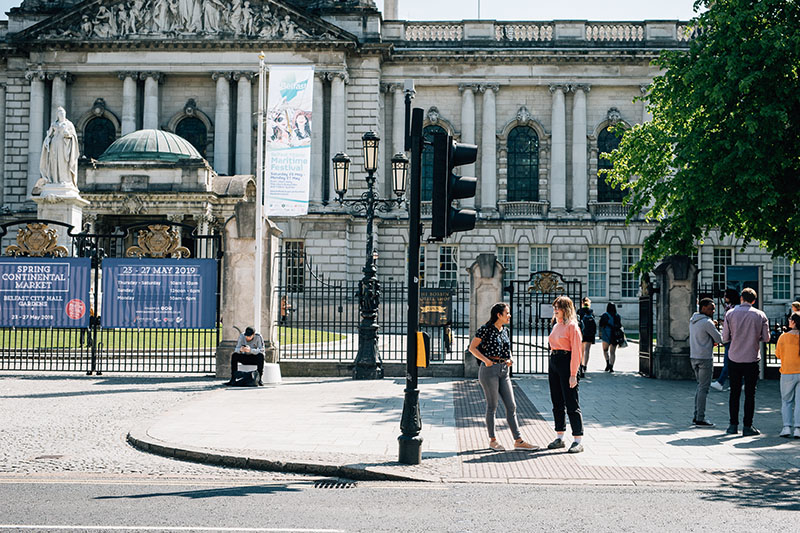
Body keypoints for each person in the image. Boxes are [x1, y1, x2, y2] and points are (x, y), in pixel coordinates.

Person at [468, 302, 539, 451]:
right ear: (499, 315)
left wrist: (510, 358)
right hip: (489, 371)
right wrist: (486, 360)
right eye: (507, 313)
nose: (509, 315)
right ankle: (493, 440)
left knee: (511, 405)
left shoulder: (504, 331)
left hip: (503, 371)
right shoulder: (485, 330)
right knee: (492, 406)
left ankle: (518, 440)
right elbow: (472, 348)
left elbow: (508, 349)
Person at [722, 288, 769, 436]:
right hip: (751, 358)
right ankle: (747, 426)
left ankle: (732, 425)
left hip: (734, 357)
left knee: (734, 393)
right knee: (750, 394)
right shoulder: (760, 315)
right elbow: (766, 338)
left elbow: (725, 338)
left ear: (741, 298)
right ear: (754, 300)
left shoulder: (730, 314)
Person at [546, 296, 585, 453]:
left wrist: (573, 373)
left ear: (566, 309)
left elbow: (576, 351)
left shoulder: (572, 326)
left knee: (571, 402)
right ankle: (560, 436)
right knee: (556, 400)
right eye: (555, 307)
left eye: (559, 307)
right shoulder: (556, 325)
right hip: (554, 361)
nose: (555, 310)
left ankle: (577, 439)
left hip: (566, 361)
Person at [689, 298, 722, 427]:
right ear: (703, 308)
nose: (713, 311)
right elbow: (719, 339)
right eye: (710, 308)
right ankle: (700, 418)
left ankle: (696, 414)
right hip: (705, 358)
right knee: (704, 388)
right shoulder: (707, 322)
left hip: (694, 356)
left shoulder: (693, 320)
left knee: (699, 387)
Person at [39, 106, 79, 188]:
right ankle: (55, 180)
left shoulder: (69, 124)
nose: (62, 114)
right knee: (54, 162)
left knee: (63, 162)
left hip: (64, 146)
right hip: (54, 145)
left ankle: (64, 179)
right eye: (60, 113)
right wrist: (47, 141)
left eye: (63, 113)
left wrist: (68, 135)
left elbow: (74, 137)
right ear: (57, 115)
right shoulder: (54, 124)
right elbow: (49, 136)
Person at [776, 313, 800, 438]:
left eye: (790, 319)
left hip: (787, 372)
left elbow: (778, 354)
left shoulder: (784, 337)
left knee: (786, 401)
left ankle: (786, 427)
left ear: (793, 322)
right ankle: (798, 428)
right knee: (799, 402)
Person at [711, 288, 740, 392]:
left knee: (728, 361)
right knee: (734, 362)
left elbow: (731, 325)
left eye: (725, 296)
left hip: (731, 338)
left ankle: (720, 382)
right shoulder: (731, 307)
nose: (724, 298)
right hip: (732, 337)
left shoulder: (731, 309)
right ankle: (738, 383)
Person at [599, 302, 622, 372]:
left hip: (606, 334)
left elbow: (601, 325)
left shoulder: (605, 315)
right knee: (613, 352)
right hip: (615, 335)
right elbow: (620, 325)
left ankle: (607, 363)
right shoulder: (617, 316)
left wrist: (600, 335)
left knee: (605, 350)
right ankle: (611, 366)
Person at [577, 297, 596, 378]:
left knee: (581, 350)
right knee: (587, 350)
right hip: (590, 334)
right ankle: (585, 365)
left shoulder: (579, 311)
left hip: (581, 333)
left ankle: (581, 365)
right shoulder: (591, 312)